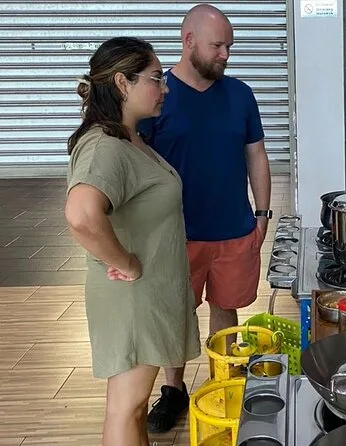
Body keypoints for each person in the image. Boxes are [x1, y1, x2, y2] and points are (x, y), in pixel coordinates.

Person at [138, 4, 271, 433]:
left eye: (229, 46)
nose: (225, 55)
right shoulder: (157, 96)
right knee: (176, 316)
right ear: (189, 40)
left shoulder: (240, 94)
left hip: (233, 227)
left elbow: (256, 155)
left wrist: (262, 213)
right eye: (218, 46)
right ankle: (173, 389)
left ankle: (223, 383)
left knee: (226, 308)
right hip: (176, 234)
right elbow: (136, 163)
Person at [64, 37, 201, 446]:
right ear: (123, 83)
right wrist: (126, 262)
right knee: (126, 408)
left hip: (149, 297)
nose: (165, 87)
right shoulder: (103, 146)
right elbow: (81, 215)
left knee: (134, 407)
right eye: (156, 78)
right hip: (132, 301)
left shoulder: (127, 138)